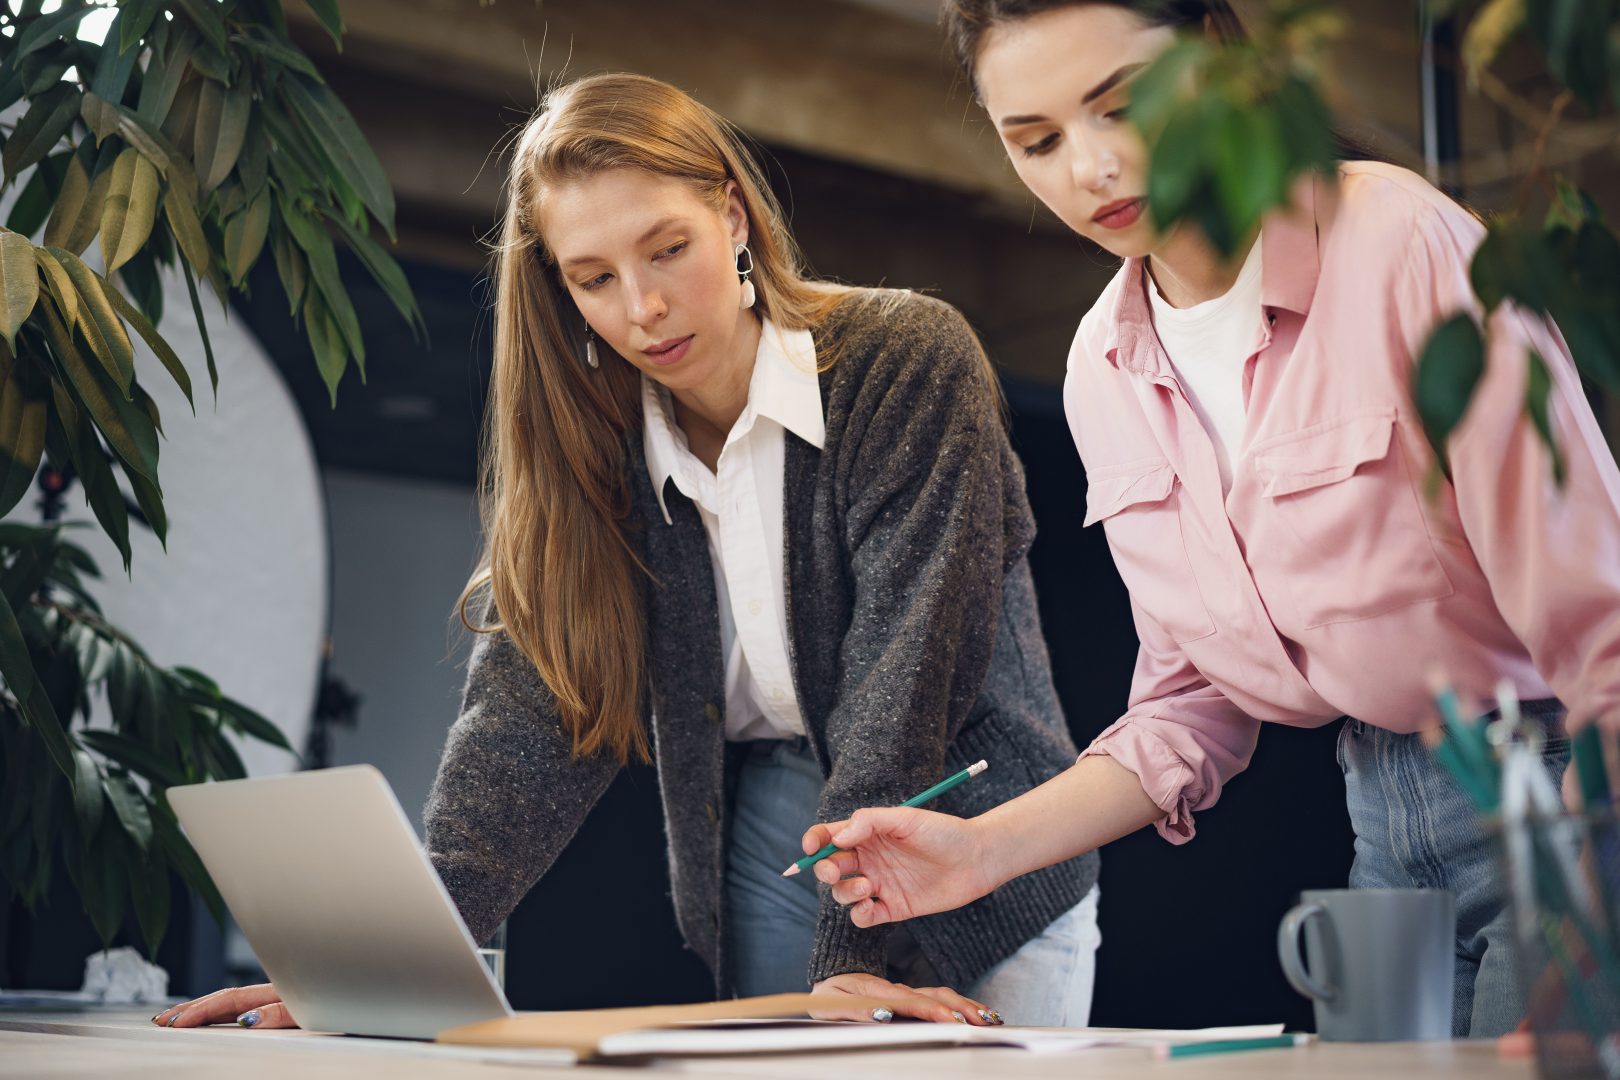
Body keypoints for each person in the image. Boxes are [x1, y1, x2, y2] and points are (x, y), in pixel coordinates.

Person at [151, 72, 1100, 1032]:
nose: (641, 307)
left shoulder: (904, 359)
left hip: (978, 827)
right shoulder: (589, 443)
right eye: (594, 278)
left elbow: (906, 671)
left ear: (732, 216)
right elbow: (529, 710)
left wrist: (848, 962)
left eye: (667, 250)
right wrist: (372, 966)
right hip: (781, 823)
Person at [799, 0, 1620, 1038]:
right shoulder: (1103, 364)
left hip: (1563, 797)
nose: (1090, 168)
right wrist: (977, 853)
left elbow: (1606, 627)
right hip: (1380, 828)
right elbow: (1187, 708)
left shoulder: (1397, 240)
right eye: (1037, 141)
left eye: (1124, 107)